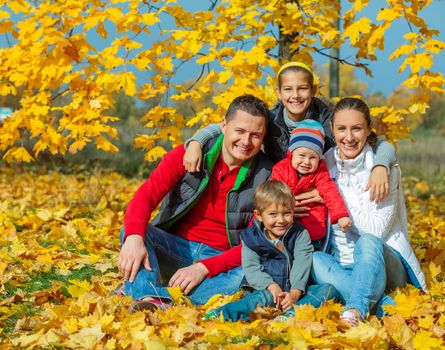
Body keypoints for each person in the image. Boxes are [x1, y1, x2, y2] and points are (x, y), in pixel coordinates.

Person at [184, 62, 396, 232]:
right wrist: (196, 141)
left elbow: (379, 141)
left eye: (302, 88)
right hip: (284, 190)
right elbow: (231, 127)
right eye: (288, 89)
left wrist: (380, 166)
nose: (295, 95)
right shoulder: (271, 118)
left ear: (313, 90)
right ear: (278, 92)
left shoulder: (329, 119)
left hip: (322, 190)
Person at [116, 94, 273, 311]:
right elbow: (147, 194)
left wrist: (203, 268)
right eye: (240, 131)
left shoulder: (267, 175)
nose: (246, 142)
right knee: (133, 231)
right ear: (223, 126)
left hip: (220, 260)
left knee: (251, 274)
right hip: (175, 247)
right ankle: (155, 294)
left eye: (255, 135)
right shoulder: (190, 153)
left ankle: (147, 292)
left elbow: (255, 240)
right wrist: (134, 236)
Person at [311, 97, 428, 326]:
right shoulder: (323, 163)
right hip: (342, 262)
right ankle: (383, 304)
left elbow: (374, 231)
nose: (349, 137)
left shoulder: (383, 169)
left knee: (367, 242)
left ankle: (355, 309)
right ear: (332, 130)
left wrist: (333, 195)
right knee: (313, 259)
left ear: (368, 130)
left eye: (356, 129)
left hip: (384, 262)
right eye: (342, 129)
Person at [203, 180, 340, 322]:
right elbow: (252, 268)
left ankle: (291, 314)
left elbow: (302, 261)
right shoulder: (251, 237)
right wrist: (271, 286)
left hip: (295, 291)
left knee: (328, 290)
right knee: (261, 299)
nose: (281, 220)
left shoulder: (299, 234)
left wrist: (294, 293)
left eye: (287, 213)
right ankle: (221, 315)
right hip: (265, 290)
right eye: (273, 214)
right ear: (259, 215)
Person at [271, 119, 352, 244]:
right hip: (284, 223)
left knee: (307, 253)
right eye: (302, 155)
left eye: (313, 157)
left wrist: (341, 216)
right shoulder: (281, 169)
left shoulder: (320, 172)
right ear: (292, 153)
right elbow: (273, 194)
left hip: (312, 225)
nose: (306, 162)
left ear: (320, 159)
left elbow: (331, 193)